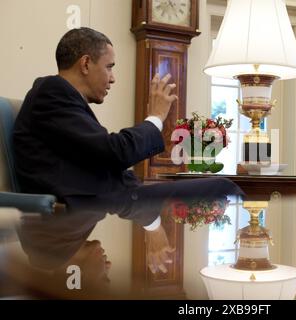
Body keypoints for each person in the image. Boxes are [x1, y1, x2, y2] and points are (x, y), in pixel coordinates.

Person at [13, 27, 243, 274]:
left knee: (222, 188)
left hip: (88, 214)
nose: (112, 78)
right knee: (224, 190)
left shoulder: (62, 99)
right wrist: (155, 117)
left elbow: (110, 163)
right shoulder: (52, 93)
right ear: (86, 64)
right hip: (62, 231)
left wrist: (153, 225)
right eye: (109, 66)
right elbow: (115, 153)